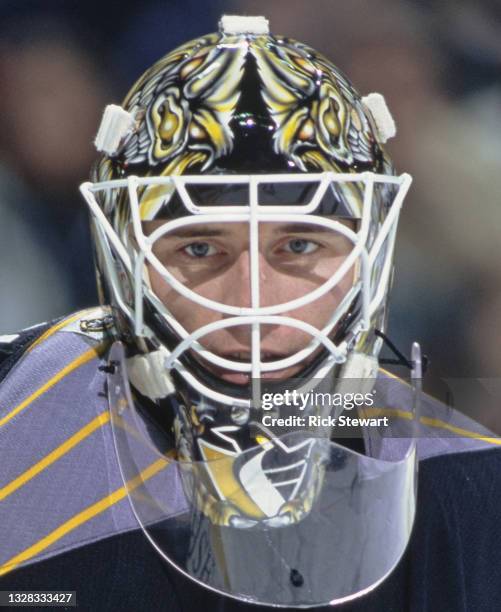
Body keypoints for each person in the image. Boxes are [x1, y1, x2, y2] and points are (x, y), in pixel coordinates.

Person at [1, 15, 500, 612]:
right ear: (124, 259)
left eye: (299, 245)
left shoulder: (473, 489)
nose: (251, 304)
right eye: (200, 248)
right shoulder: (15, 411)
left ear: (371, 254)